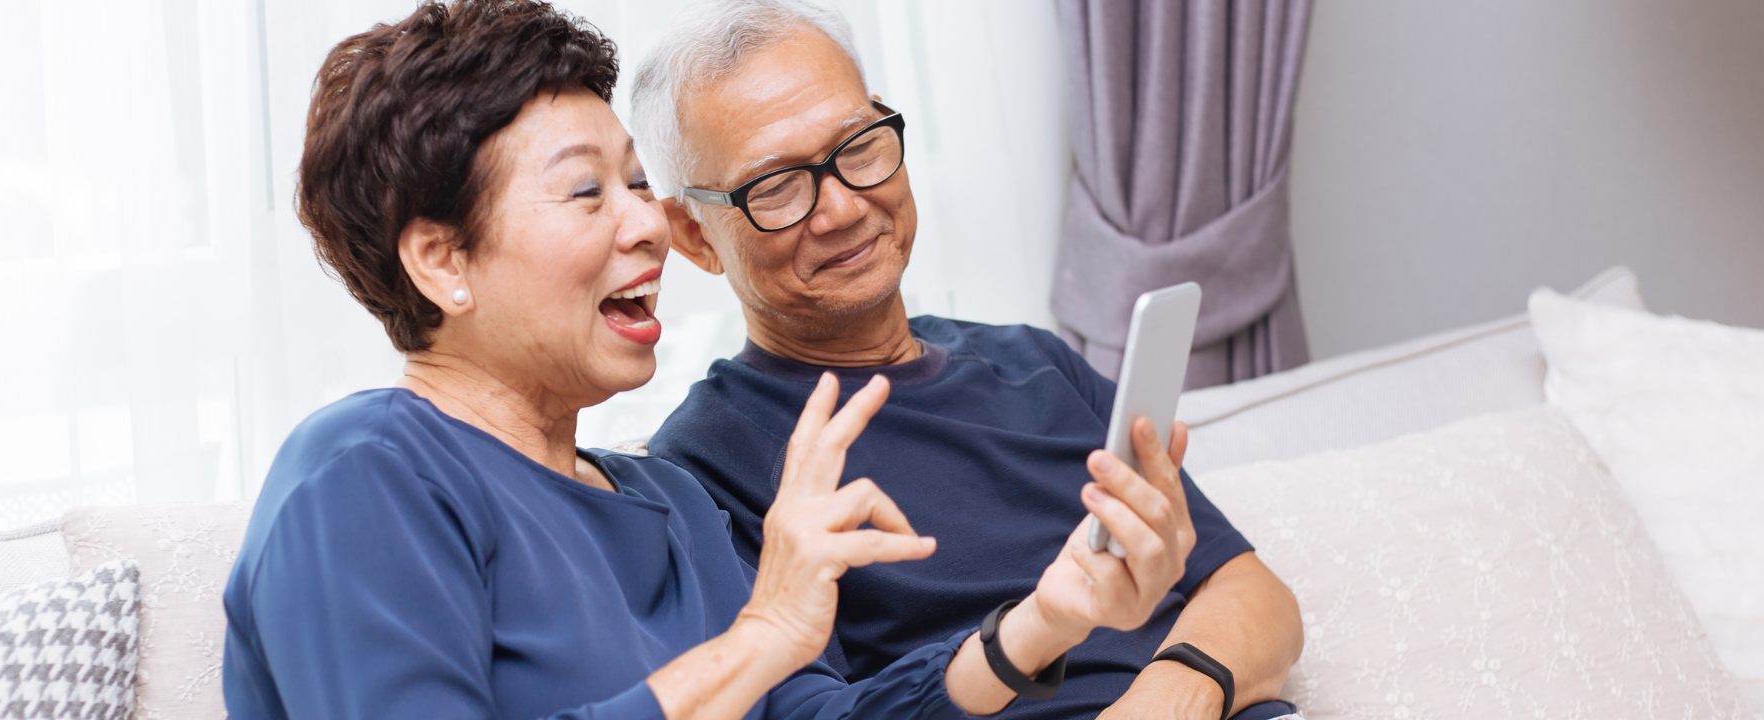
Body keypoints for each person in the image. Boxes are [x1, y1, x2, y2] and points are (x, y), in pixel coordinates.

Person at [222, 2, 1207, 719]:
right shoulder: (364, 473)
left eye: (640, 183)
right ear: (442, 261)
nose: (650, 226)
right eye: (585, 194)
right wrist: (760, 638)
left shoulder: (673, 505)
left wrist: (1042, 619)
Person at [633, 2, 1306, 719]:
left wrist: (1176, 694)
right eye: (776, 187)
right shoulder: (703, 466)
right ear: (694, 237)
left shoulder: (1036, 361)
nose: (840, 208)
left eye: (858, 145)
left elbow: (1252, 591)